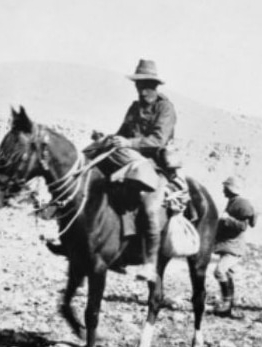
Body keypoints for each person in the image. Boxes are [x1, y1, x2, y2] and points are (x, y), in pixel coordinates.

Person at [51, 59, 177, 281]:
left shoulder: (165, 108)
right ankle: (76, 241)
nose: (142, 88)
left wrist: (129, 143)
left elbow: (158, 139)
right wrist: (109, 139)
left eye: (146, 83)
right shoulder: (134, 107)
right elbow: (122, 132)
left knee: (149, 207)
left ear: (155, 85)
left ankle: (149, 263)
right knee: (94, 186)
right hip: (127, 160)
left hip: (154, 166)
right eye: (139, 83)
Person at [213, 176, 256, 317]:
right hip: (229, 246)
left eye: (225, 187)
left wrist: (227, 219)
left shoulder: (241, 203)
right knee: (228, 274)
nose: (223, 190)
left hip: (234, 247)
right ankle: (229, 306)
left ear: (231, 188)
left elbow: (243, 226)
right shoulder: (233, 202)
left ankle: (226, 302)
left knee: (219, 271)